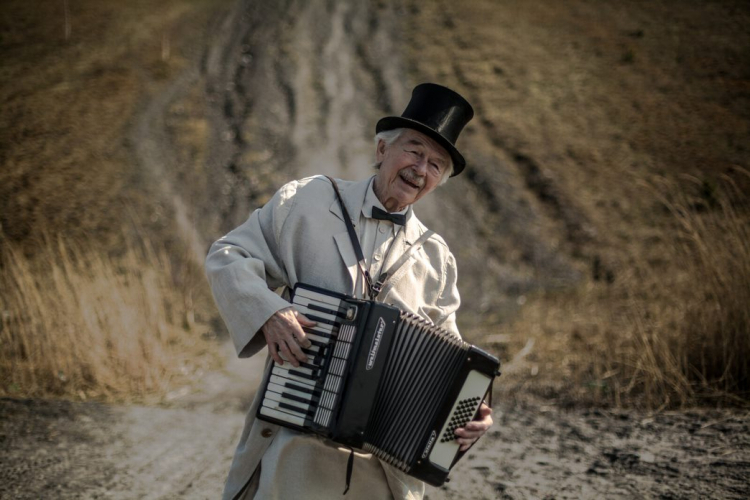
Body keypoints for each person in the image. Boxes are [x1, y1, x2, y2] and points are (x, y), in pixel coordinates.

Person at [205, 83, 493, 500]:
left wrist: (469, 413)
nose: (420, 168)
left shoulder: (437, 258)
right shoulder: (306, 201)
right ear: (381, 150)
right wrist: (268, 311)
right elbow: (228, 255)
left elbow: (452, 360)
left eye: (435, 164)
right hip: (295, 452)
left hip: (381, 469)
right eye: (414, 151)